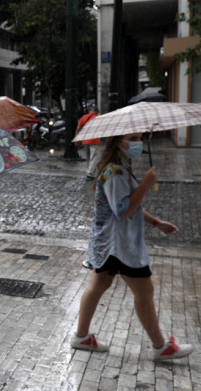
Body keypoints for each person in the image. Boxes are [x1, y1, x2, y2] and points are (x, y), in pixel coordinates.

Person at [72, 132, 194, 361]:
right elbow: (123, 210)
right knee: (144, 291)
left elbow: (131, 207)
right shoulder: (115, 173)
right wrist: (146, 184)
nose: (138, 143)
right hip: (119, 245)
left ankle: (80, 337)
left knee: (99, 284)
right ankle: (160, 346)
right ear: (119, 142)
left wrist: (156, 223)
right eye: (133, 138)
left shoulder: (121, 168)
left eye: (139, 138)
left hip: (110, 242)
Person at [76, 105, 102, 180]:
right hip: (95, 140)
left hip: (85, 139)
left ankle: (89, 171)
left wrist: (77, 139)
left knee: (88, 157)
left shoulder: (84, 117)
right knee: (94, 157)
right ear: (97, 111)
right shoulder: (98, 118)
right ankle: (90, 174)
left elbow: (78, 128)